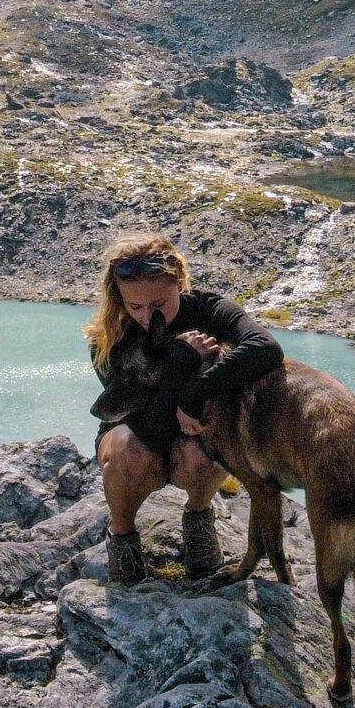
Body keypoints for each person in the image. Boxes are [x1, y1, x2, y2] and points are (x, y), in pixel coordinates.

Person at [85, 233, 282, 585]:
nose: (148, 317)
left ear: (180, 281)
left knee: (205, 453)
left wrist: (195, 392)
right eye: (135, 307)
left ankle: (198, 520)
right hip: (138, 432)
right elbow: (148, 430)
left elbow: (266, 348)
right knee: (129, 453)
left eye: (159, 303)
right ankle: (123, 537)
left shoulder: (208, 309)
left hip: (193, 433)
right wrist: (179, 364)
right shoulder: (110, 339)